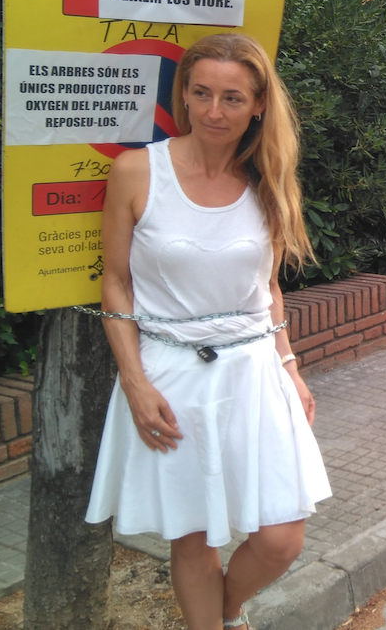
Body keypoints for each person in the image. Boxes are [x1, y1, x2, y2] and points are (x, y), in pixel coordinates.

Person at [85, 33, 331, 630]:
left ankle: (221, 613)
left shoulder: (267, 180)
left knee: (280, 539)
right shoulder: (138, 171)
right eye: (201, 94)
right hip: (169, 376)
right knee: (192, 538)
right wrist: (135, 383)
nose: (214, 112)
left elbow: (267, 289)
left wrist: (291, 368)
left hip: (254, 374)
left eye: (231, 97)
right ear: (184, 96)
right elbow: (115, 285)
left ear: (258, 105)